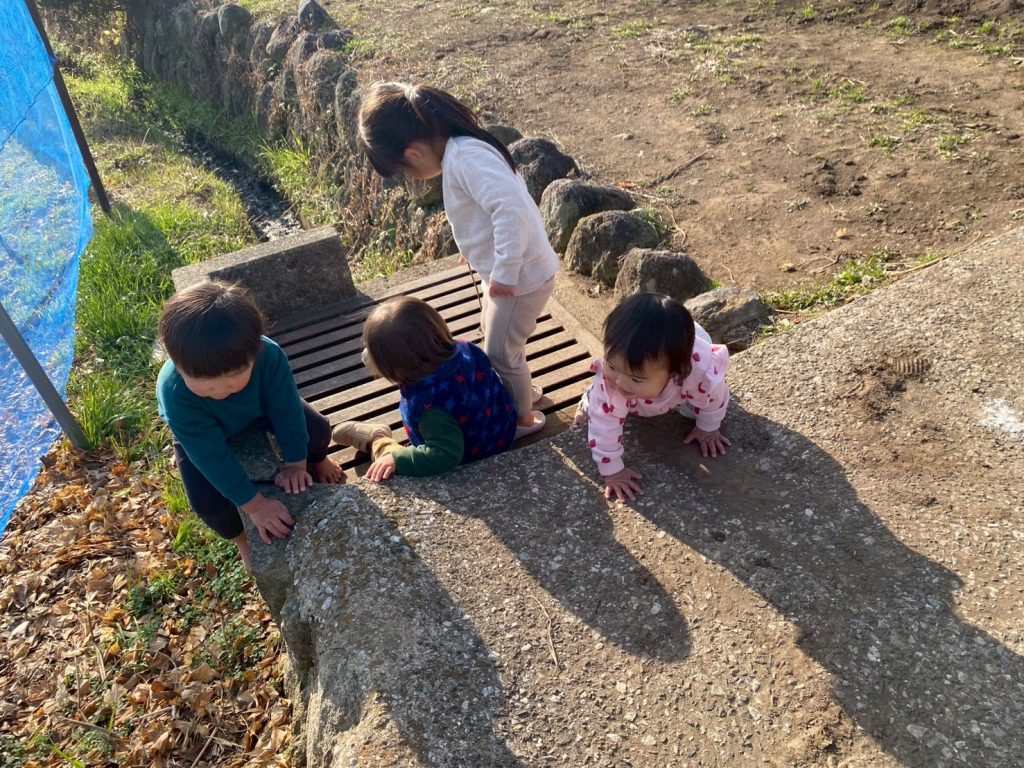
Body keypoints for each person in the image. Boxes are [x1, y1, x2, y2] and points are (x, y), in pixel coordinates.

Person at [358, 81, 558, 440]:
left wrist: (506, 271)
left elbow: (510, 210)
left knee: (501, 352)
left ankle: (521, 418)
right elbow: (486, 210)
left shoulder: (465, 159)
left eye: (405, 170)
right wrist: (479, 253)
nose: (410, 177)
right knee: (498, 339)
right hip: (511, 273)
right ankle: (522, 390)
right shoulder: (462, 148)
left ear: (413, 153)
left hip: (520, 279)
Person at [156, 281, 342, 571]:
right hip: (202, 432)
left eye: (233, 379)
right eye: (205, 384)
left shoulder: (270, 356)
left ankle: (320, 460)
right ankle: (241, 539)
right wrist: (256, 506)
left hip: (258, 410)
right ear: (176, 363)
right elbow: (210, 456)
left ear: (255, 352)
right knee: (205, 501)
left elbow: (287, 411)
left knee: (317, 429)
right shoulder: (175, 393)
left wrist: (297, 464)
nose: (220, 391)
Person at [332, 296, 518, 482]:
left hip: (470, 458)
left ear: (394, 368)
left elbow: (445, 455)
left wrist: (397, 460)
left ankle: (377, 440)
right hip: (499, 432)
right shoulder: (465, 349)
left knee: (386, 466)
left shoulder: (428, 404)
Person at [576, 293, 731, 502]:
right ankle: (586, 400)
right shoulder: (611, 386)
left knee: (697, 408)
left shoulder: (699, 371)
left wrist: (708, 427)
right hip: (638, 392)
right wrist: (612, 471)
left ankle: (678, 401)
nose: (620, 381)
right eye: (611, 365)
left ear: (675, 373)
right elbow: (603, 429)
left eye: (636, 378)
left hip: (680, 382)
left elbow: (715, 397)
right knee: (598, 408)